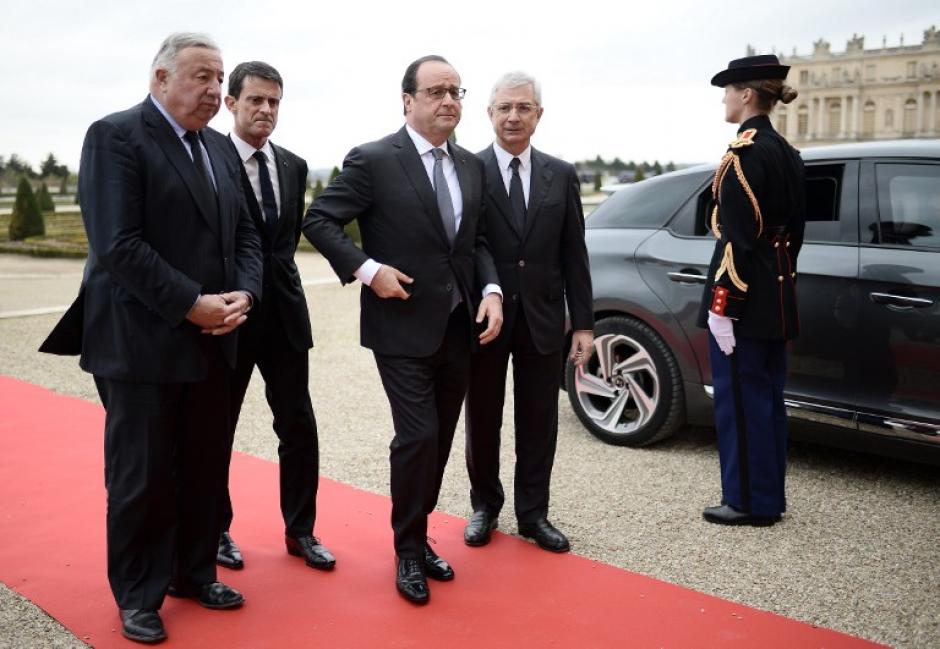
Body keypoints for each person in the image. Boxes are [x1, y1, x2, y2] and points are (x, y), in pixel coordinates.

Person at [39, 33, 262, 644]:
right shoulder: (116, 136)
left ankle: (193, 575)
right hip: (141, 341)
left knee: (202, 467)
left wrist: (246, 293)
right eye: (201, 77)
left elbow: (246, 236)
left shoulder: (219, 148)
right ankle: (139, 594)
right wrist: (192, 304)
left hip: (216, 337)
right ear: (159, 78)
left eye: (219, 78)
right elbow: (117, 244)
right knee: (141, 477)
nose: (215, 90)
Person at [302, 55, 503, 605]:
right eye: (436, 91)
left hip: (459, 325)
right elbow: (319, 219)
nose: (449, 101)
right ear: (407, 100)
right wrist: (369, 271)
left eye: (456, 91)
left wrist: (491, 292)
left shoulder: (471, 166)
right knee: (416, 437)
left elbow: (476, 242)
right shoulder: (373, 160)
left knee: (436, 441)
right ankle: (408, 550)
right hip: (400, 327)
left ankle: (416, 533)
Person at [463, 72, 593, 553]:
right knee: (483, 416)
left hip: (543, 318)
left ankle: (534, 514)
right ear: (490, 113)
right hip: (486, 319)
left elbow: (574, 252)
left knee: (540, 420)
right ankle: (485, 507)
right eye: (504, 108)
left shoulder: (560, 174)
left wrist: (582, 323)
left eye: (523, 108)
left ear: (539, 114)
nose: (513, 116)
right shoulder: (468, 169)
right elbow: (466, 246)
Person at [219, 61, 335, 573]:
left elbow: (284, 243)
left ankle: (301, 531)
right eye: (255, 100)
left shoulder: (294, 165)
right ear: (231, 104)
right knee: (215, 428)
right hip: (230, 314)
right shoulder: (209, 156)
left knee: (299, 424)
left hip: (285, 315)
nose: (265, 110)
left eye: (273, 102)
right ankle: (214, 529)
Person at [698, 54, 805, 527]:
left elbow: (736, 241)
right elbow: (794, 235)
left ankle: (746, 502)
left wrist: (724, 306)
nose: (724, 98)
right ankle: (768, 496)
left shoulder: (743, 153)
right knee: (767, 398)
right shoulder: (787, 152)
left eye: (728, 90)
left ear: (746, 94)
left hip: (743, 301)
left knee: (739, 401)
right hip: (777, 294)